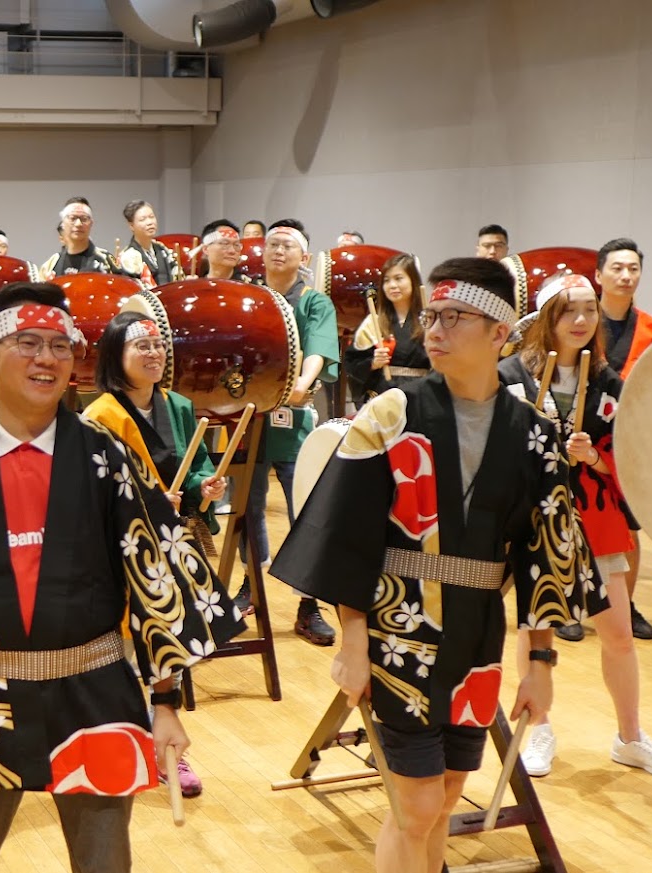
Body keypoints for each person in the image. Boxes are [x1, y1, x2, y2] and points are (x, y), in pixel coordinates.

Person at [0, 281, 244, 872]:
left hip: (94, 691)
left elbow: (155, 578)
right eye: (27, 342)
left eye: (60, 345)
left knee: (104, 863)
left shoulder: (107, 455)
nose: (45, 358)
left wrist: (165, 701)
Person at [270, 256, 600, 873]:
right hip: (398, 629)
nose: (436, 331)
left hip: (479, 636)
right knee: (416, 804)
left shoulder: (533, 431)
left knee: (446, 795)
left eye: (455, 318)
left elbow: (547, 558)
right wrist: (352, 640)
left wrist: (541, 665)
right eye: (433, 316)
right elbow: (347, 535)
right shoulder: (391, 414)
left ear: (499, 332)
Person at [498, 274, 652, 781]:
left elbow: (634, 453)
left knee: (619, 635)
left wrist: (596, 459)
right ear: (547, 318)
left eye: (589, 310)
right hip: (533, 518)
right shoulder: (510, 375)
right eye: (568, 310)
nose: (581, 320)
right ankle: (539, 729)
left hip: (593, 516)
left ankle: (630, 736)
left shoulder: (607, 382)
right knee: (535, 629)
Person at [82, 311, 229, 799]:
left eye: (158, 344)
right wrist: (142, 501)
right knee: (120, 653)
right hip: (120, 547)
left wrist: (204, 486)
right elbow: (93, 488)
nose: (153, 353)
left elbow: (196, 465)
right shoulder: (100, 415)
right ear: (115, 355)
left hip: (170, 543)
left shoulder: (179, 406)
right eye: (140, 345)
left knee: (169, 644)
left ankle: (168, 751)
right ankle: (118, 743)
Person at [243, 221, 340, 645]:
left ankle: (308, 603)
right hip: (250, 416)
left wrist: (302, 382)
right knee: (248, 508)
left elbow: (318, 347)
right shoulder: (250, 297)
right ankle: (249, 586)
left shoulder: (314, 300)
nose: (278, 251)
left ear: (304, 258)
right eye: (272, 244)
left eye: (287, 246)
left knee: (305, 509)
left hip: (293, 417)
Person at [595, 237, 652, 640]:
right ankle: (572, 603)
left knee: (628, 526)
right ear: (599, 274)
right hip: (584, 434)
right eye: (617, 268)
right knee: (574, 523)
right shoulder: (579, 321)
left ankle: (628, 603)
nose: (625, 276)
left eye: (633, 269)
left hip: (631, 439)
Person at [344, 253, 431, 403]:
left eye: (398, 278)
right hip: (383, 394)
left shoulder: (429, 320)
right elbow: (352, 362)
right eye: (386, 280)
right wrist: (373, 363)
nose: (392, 285)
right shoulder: (374, 322)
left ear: (413, 280)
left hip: (420, 394)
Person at [38, 198, 124, 278]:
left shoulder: (105, 260)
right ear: (63, 223)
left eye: (84, 219)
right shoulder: (51, 264)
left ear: (91, 223)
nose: (78, 224)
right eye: (73, 218)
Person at [119, 201, 178, 288]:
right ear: (131, 226)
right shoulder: (128, 257)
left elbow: (177, 277)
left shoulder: (162, 249)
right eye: (143, 219)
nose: (150, 222)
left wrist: (188, 280)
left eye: (151, 217)